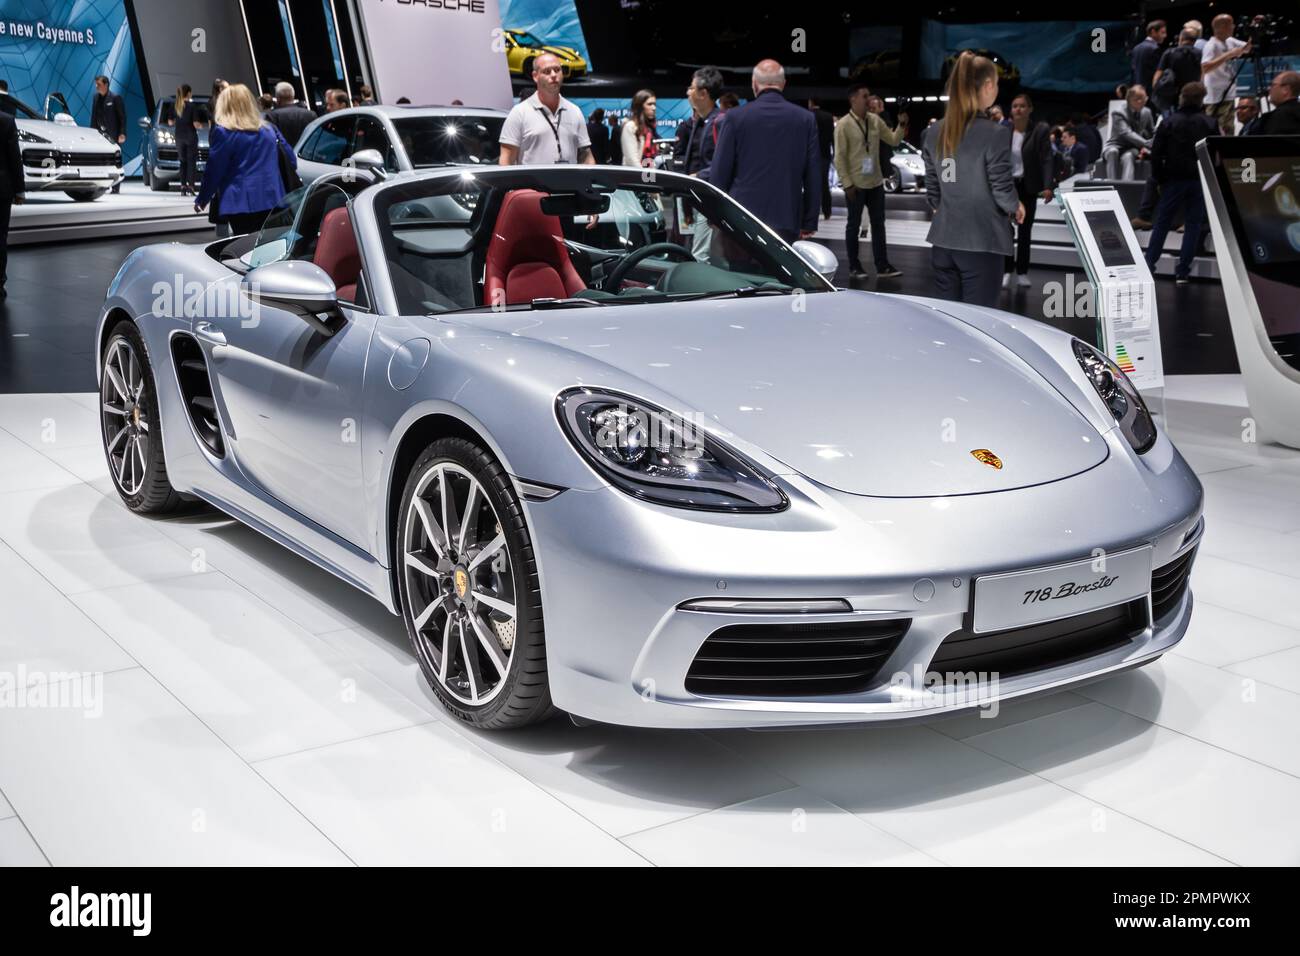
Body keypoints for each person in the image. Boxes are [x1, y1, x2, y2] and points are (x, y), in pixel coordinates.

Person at [922, 51, 1022, 307]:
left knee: (948, 321)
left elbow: (933, 191)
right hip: (982, 243)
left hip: (943, 242)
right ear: (987, 85)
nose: (996, 89)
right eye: (996, 84)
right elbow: (1002, 189)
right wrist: (1016, 206)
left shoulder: (934, 132)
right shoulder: (995, 133)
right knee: (979, 323)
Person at [711, 59, 821, 243]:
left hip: (741, 217)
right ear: (783, 84)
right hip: (786, 216)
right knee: (780, 263)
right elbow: (813, 174)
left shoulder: (734, 117)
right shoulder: (805, 119)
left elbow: (720, 171)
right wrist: (809, 221)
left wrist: (715, 214)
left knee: (739, 262)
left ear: (754, 84)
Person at [194, 84, 297, 237]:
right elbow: (291, 160)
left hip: (240, 203)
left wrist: (203, 199)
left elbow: (214, 170)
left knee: (244, 247)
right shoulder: (270, 129)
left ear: (224, 106)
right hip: (272, 198)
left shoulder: (223, 132)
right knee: (269, 246)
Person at [1144, 82, 1217, 284]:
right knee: (1193, 225)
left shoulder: (1168, 122)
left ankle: (1149, 265)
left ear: (1182, 97)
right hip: (1198, 180)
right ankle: (1183, 272)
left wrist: (1159, 179)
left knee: (1162, 223)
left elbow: (1156, 155)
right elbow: (1214, 154)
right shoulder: (1210, 123)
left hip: (1173, 180)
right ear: (1202, 99)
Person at [834, 82, 907, 280]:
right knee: (853, 225)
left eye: (869, 95)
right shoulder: (844, 125)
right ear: (853, 99)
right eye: (865, 96)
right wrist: (847, 184)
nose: (869, 99)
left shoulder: (875, 120)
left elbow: (893, 140)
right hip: (856, 185)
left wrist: (901, 125)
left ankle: (882, 266)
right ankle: (854, 266)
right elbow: (839, 157)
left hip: (875, 183)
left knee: (879, 225)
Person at [498, 53, 593, 165]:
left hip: (568, 177)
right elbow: (506, 159)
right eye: (547, 71)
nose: (553, 75)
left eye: (557, 70)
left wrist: (592, 174)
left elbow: (586, 155)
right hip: (531, 177)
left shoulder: (575, 111)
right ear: (535, 76)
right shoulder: (519, 112)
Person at [1003, 93, 1053, 288]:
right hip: (1008, 187)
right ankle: (1006, 270)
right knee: (1006, 230)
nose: (1018, 109)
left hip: (1028, 186)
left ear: (1030, 109)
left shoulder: (1039, 130)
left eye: (1022, 106)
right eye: (1015, 106)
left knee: (1025, 230)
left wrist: (1047, 185)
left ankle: (1022, 272)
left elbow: (1046, 158)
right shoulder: (1004, 130)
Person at [677, 66, 724, 259]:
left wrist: (698, 176)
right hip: (697, 196)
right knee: (702, 253)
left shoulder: (720, 122)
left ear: (703, 93)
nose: (688, 92)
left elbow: (725, 164)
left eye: (691, 87)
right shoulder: (700, 122)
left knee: (700, 255)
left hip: (709, 197)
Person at [1202, 14, 1250, 134]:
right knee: (1216, 129)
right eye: (1230, 24)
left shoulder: (1230, 41)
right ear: (1222, 27)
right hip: (1215, 96)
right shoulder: (1211, 45)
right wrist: (1229, 55)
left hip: (1229, 92)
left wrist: (1253, 34)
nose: (1233, 27)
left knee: (1228, 128)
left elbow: (1247, 48)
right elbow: (1205, 67)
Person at [1102, 85, 1155, 180]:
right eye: (1143, 99)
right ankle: (1111, 184)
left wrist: (1156, 141)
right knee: (1113, 152)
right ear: (1133, 100)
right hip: (1115, 145)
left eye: (1145, 98)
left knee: (1129, 156)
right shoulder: (1118, 113)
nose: (1144, 101)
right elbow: (1126, 133)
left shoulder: (1147, 112)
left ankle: (1126, 185)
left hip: (1132, 147)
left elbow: (1152, 131)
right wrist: (1147, 143)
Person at [1153, 29, 1204, 115]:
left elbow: (1158, 75)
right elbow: (1203, 75)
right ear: (1194, 41)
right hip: (1194, 95)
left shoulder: (1169, 53)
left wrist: (1156, 90)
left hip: (1172, 96)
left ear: (1181, 38)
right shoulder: (1200, 54)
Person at [0, 106, 23, 299]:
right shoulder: (7, 120)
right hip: (2, 190)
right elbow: (15, 157)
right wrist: (19, 190)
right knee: (0, 236)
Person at [90, 75, 126, 193]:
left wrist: (122, 133)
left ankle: (116, 186)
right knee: (100, 160)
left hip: (113, 135)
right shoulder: (95, 97)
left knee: (114, 160)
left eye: (99, 85)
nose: (96, 87)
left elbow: (122, 117)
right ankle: (102, 185)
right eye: (96, 84)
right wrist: (91, 133)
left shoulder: (115, 98)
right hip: (99, 135)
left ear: (106, 85)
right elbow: (93, 117)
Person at [265, 81, 316, 149]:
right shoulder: (311, 114)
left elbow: (270, 140)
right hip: (307, 152)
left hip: (284, 154)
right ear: (293, 96)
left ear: (278, 98)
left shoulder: (271, 116)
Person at [807, 97, 834, 220]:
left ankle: (811, 211)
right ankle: (827, 211)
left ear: (811, 103)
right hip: (824, 154)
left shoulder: (807, 115)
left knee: (809, 184)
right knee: (824, 184)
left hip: (810, 154)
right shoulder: (828, 116)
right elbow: (832, 137)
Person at [174, 84, 200, 197]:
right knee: (191, 162)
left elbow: (170, 122)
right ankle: (191, 187)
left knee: (182, 162)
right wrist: (200, 126)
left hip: (179, 136)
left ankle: (183, 187)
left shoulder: (176, 106)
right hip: (190, 136)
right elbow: (195, 123)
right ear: (189, 93)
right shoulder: (192, 106)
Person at [620, 90, 657, 167]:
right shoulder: (630, 127)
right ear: (639, 106)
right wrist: (643, 174)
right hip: (634, 173)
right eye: (650, 104)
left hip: (648, 172)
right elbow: (632, 160)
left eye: (654, 104)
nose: (654, 108)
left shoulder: (649, 129)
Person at [1131, 20, 1167, 94]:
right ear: (1153, 32)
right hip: (1151, 91)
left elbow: (1134, 71)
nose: (1165, 36)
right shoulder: (1155, 49)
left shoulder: (1136, 48)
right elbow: (1158, 72)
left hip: (1137, 89)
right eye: (1162, 32)